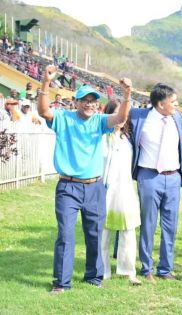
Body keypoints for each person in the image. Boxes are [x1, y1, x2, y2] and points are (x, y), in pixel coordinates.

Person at [38, 64, 132, 293]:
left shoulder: (99, 121)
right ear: (76, 102)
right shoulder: (63, 118)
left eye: (93, 100)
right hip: (68, 186)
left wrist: (127, 94)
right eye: (85, 100)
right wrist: (46, 82)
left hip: (94, 187)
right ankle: (61, 283)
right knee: (66, 234)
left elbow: (120, 117)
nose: (90, 104)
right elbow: (43, 112)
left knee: (94, 233)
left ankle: (94, 277)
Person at [129, 83, 182, 283]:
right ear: (160, 104)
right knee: (148, 223)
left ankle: (165, 269)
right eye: (173, 102)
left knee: (170, 225)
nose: (177, 105)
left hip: (174, 178)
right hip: (149, 177)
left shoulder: (176, 118)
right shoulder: (139, 117)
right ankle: (146, 268)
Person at [101, 100, 141, 286]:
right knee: (103, 231)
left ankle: (128, 270)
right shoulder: (102, 137)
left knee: (128, 230)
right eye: (117, 113)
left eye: (124, 114)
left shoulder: (128, 140)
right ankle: (103, 270)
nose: (121, 118)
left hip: (125, 190)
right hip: (105, 189)